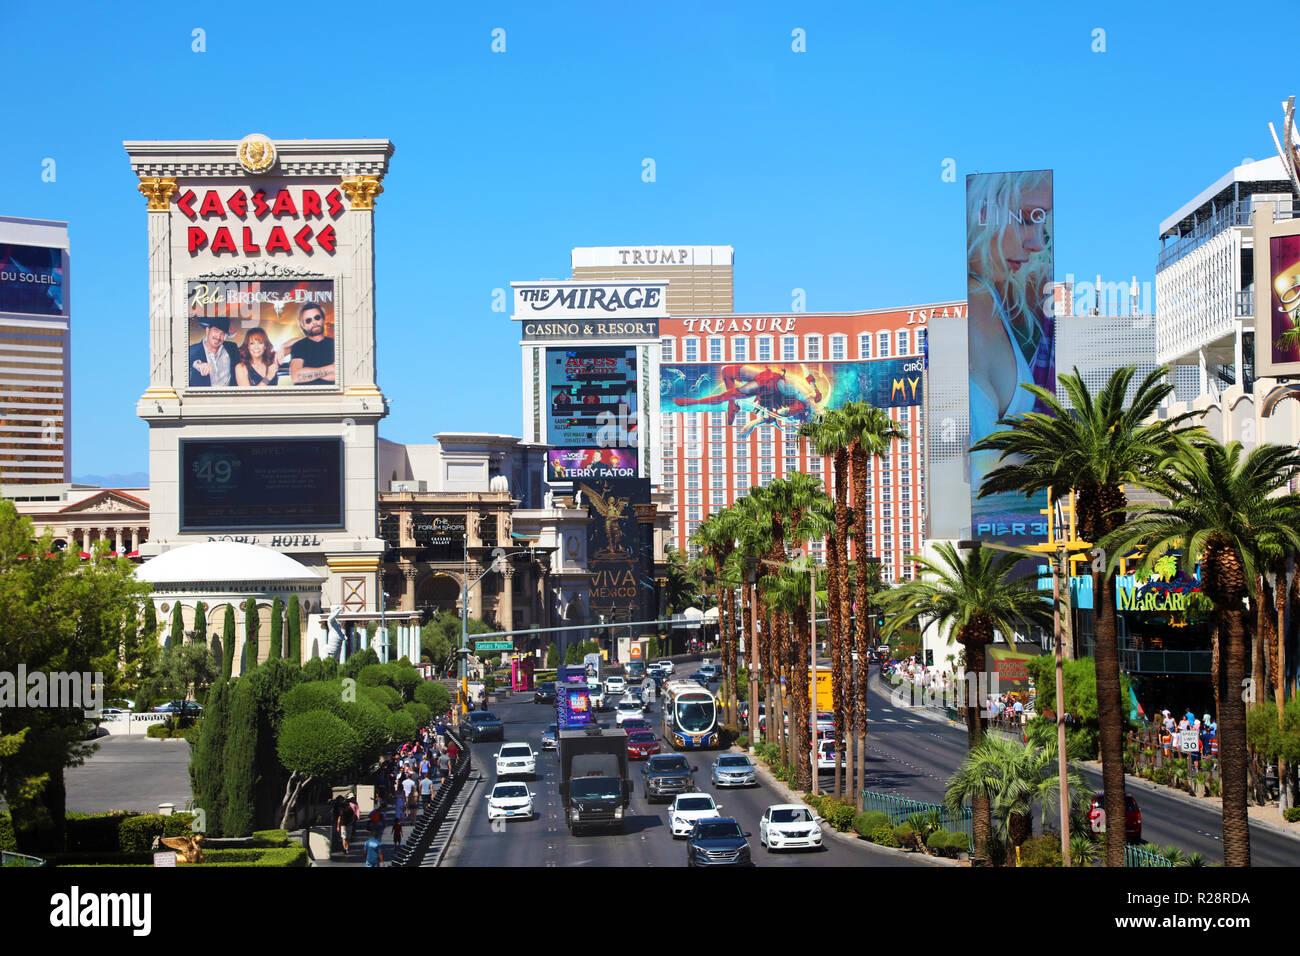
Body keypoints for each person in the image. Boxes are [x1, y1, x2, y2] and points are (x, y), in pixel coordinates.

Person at [288, 303, 335, 385]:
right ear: (303, 326)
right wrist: (331, 368)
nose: (314, 322)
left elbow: (340, 375)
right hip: (306, 396)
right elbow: (296, 377)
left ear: (323, 319)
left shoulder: (334, 344)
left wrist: (308, 373)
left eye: (317, 318)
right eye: (308, 320)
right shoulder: (298, 346)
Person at [188, 315, 241, 386]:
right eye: (216, 331)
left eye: (222, 334)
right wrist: (197, 364)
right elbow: (182, 363)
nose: (218, 337)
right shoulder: (192, 350)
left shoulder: (232, 348)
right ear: (207, 331)